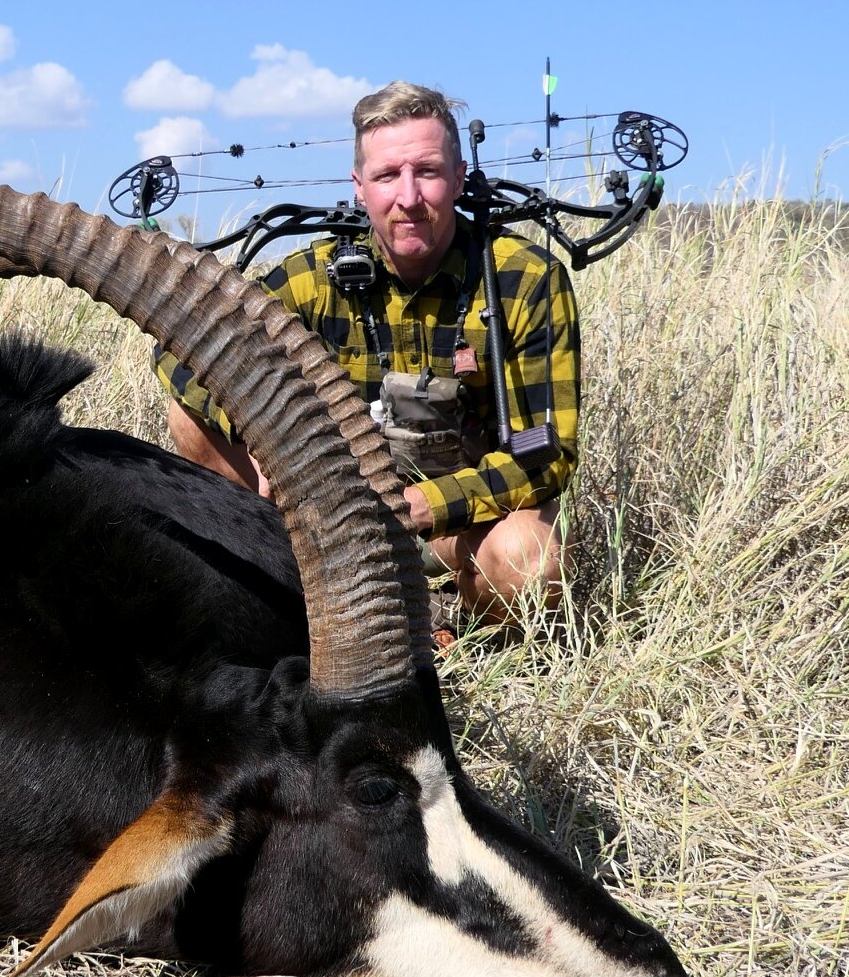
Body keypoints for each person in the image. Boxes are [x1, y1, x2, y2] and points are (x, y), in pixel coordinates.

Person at [155, 80, 579, 637]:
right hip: (330, 518)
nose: (408, 197)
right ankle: (272, 598)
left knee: (529, 559)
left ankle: (475, 638)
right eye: (386, 176)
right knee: (191, 417)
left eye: (427, 171)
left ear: (457, 178)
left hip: (462, 525)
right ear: (360, 188)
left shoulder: (525, 280)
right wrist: (272, 434)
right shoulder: (310, 278)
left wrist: (417, 508)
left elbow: (543, 454)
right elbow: (180, 357)